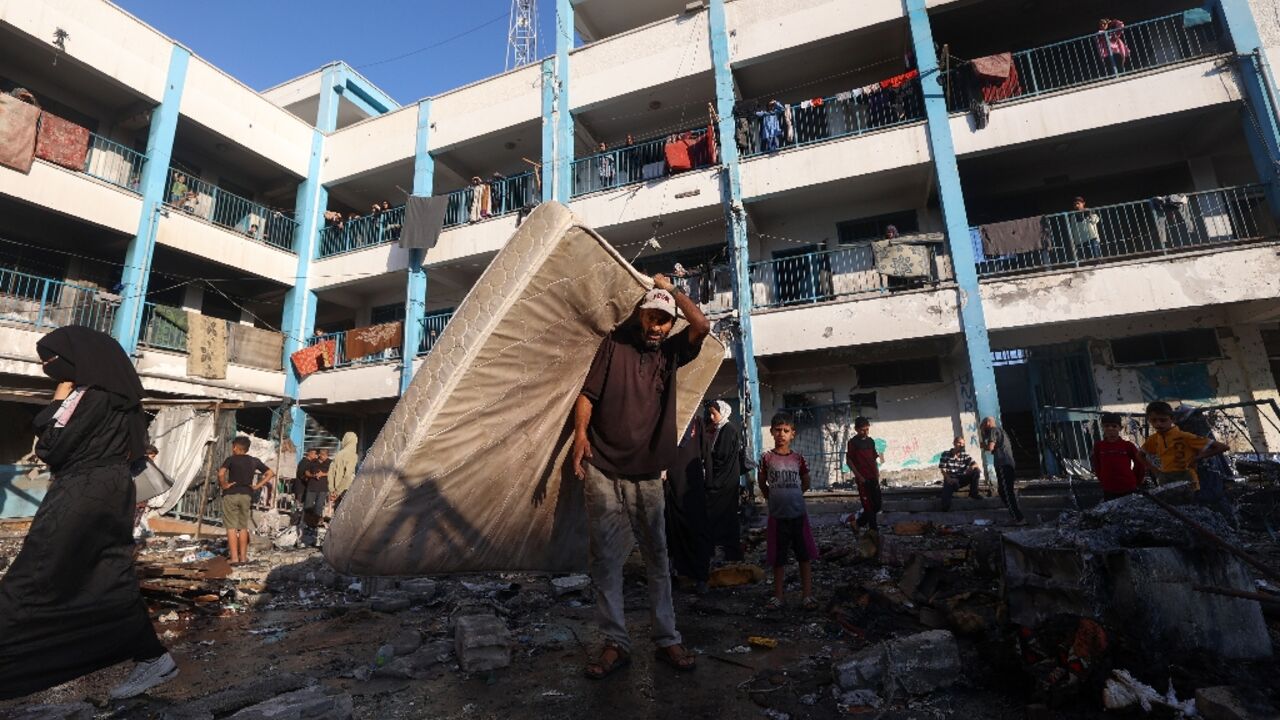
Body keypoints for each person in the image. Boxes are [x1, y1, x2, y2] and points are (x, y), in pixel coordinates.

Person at [0, 326, 177, 700]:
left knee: (37, 571)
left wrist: (55, 401)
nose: (50, 368)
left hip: (82, 492)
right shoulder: (121, 396)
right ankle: (151, 656)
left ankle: (13, 661)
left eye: (52, 361)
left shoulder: (89, 395)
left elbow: (53, 448)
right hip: (108, 491)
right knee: (105, 573)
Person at [572, 275, 709, 679]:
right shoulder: (615, 345)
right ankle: (616, 642)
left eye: (665, 320)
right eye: (652, 317)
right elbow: (587, 394)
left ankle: (668, 638)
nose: (658, 326)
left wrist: (674, 288)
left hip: (648, 472)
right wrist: (580, 434)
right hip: (602, 466)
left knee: (657, 557)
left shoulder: (672, 353)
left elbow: (701, 326)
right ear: (640, 315)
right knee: (606, 561)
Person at [758, 412, 817, 611]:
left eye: (786, 430)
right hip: (777, 515)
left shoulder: (798, 459)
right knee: (778, 558)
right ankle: (778, 596)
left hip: (797, 514)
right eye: (778, 430)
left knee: (803, 555)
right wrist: (772, 496)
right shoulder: (766, 458)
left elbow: (806, 481)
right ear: (771, 432)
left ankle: (807, 595)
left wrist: (795, 494)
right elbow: (762, 481)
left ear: (793, 433)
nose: (781, 434)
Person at [664, 414, 712, 593]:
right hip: (672, 482)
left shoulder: (695, 420)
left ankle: (701, 576)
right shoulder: (666, 418)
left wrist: (709, 482)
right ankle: (677, 573)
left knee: (697, 529)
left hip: (692, 484)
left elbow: (705, 451)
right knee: (673, 530)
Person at [1141, 401, 1227, 489]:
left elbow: (1222, 447)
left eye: (1163, 420)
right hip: (1168, 481)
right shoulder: (1153, 439)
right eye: (1153, 420)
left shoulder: (1185, 436)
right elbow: (1140, 455)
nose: (1158, 424)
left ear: (1172, 419)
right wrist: (1156, 472)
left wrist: (1198, 457)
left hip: (1190, 479)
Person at [217, 436, 273, 564]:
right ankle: (243, 557)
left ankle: (234, 558)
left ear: (236, 447)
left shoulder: (231, 459)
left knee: (231, 527)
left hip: (231, 494)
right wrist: (257, 486)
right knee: (243, 527)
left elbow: (220, 474)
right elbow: (270, 473)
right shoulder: (254, 461)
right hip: (246, 495)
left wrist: (224, 484)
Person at [705, 400, 744, 561]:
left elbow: (721, 456)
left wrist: (708, 459)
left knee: (722, 514)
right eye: (710, 413)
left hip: (725, 481)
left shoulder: (727, 430)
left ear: (723, 412)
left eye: (714, 413)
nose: (712, 417)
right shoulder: (721, 429)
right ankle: (728, 551)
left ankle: (728, 551)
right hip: (725, 478)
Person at [1091, 413, 1145, 500]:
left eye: (1114, 426)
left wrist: (1136, 481)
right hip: (1109, 488)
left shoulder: (1128, 445)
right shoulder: (1099, 446)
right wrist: (1103, 479)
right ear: (1102, 428)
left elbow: (1140, 463)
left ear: (1120, 428)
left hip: (1128, 486)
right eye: (1107, 426)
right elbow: (1097, 465)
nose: (1110, 428)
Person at [981, 416, 1024, 523]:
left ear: (988, 423)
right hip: (1008, 463)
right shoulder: (1001, 431)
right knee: (1003, 491)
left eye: (983, 426)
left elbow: (990, 447)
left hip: (1002, 463)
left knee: (1006, 492)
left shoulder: (993, 430)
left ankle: (1019, 519)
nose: (983, 429)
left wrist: (982, 445)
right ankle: (1016, 515)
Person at [845, 416, 884, 529]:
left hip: (873, 477)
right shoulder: (852, 443)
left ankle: (857, 524)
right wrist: (859, 477)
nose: (865, 432)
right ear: (856, 429)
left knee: (877, 505)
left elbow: (874, 459)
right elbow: (849, 461)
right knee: (869, 508)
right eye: (863, 430)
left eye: (867, 429)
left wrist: (877, 473)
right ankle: (873, 534)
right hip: (863, 479)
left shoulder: (871, 441)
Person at [938, 436, 981, 511]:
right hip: (951, 479)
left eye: (963, 444)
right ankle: (945, 509)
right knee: (946, 492)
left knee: (976, 471)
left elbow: (975, 464)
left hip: (962, 478)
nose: (961, 445)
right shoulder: (946, 454)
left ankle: (974, 493)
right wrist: (948, 478)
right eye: (959, 443)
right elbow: (942, 469)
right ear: (954, 443)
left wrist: (971, 467)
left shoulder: (964, 455)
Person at [328, 432, 359, 510]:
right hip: (346, 489)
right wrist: (338, 491)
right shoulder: (353, 455)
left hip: (336, 489)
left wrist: (332, 490)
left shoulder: (339, 454)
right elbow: (347, 475)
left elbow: (331, 473)